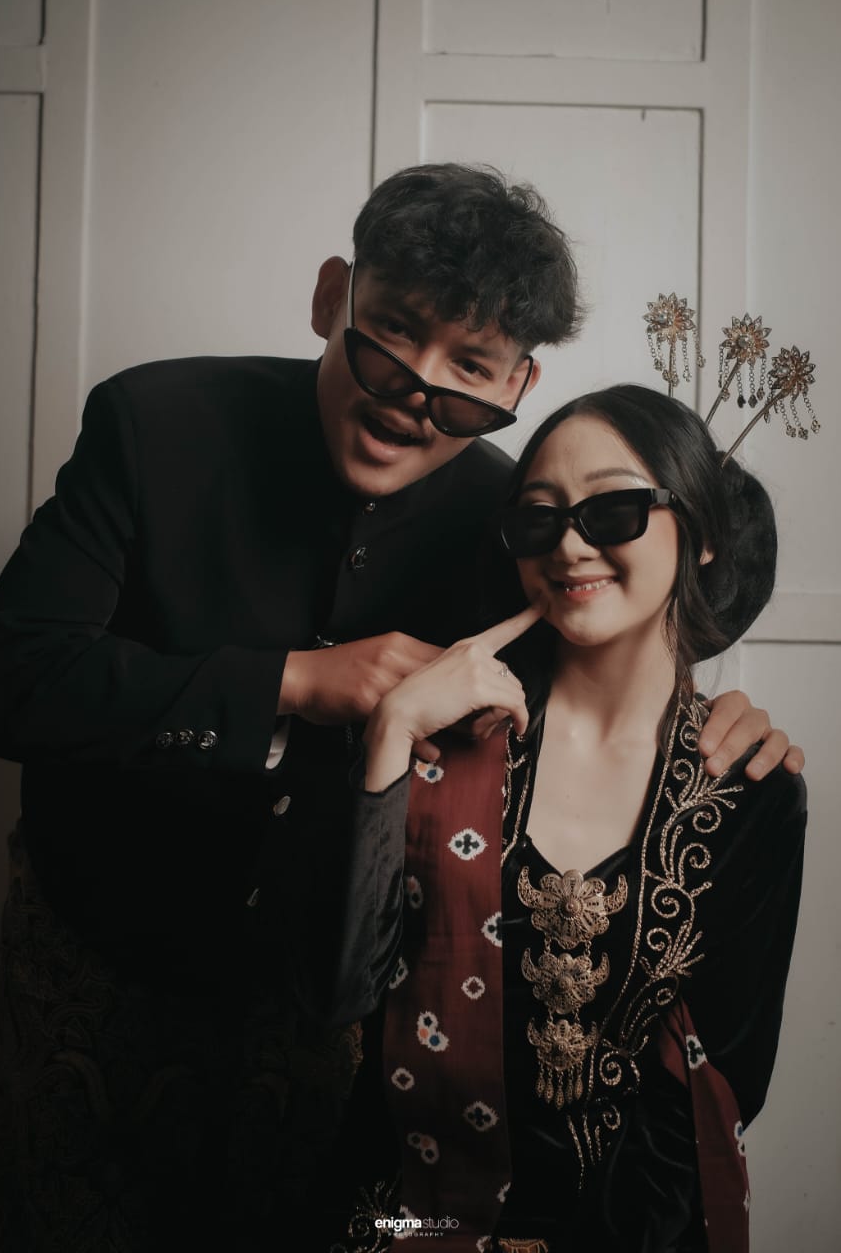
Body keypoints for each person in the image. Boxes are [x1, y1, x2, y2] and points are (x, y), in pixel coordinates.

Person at [0, 166, 800, 1251]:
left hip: (337, 1035)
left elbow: (614, 642)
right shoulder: (153, 422)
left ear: (518, 380)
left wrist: (726, 721)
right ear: (334, 295)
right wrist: (288, 681)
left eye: (468, 368)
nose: (414, 392)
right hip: (98, 959)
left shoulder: (518, 517)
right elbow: (14, 678)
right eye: (394, 332)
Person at [318, 384, 807, 1252]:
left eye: (613, 510)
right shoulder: (443, 739)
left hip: (625, 1233)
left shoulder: (750, 789)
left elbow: (720, 1083)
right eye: (538, 519)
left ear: (700, 532)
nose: (570, 544)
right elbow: (338, 992)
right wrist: (389, 731)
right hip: (401, 1218)